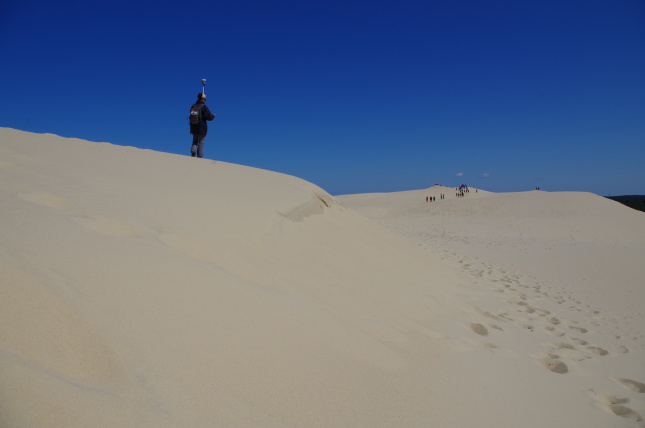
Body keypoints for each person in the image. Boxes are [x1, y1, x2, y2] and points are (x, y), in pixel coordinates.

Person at [189, 93, 216, 158]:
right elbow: (208, 117)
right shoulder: (204, 107)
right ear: (203, 99)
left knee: (195, 140)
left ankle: (193, 150)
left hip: (193, 126)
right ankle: (200, 155)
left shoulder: (193, 106)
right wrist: (213, 116)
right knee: (201, 141)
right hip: (201, 126)